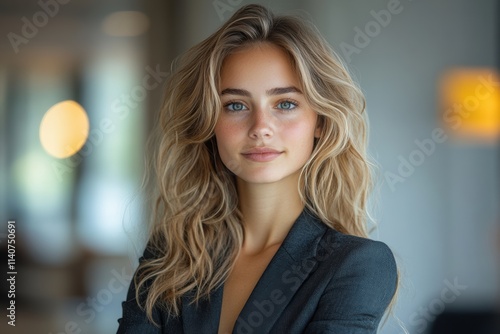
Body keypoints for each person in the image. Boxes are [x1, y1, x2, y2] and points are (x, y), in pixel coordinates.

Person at [117, 4, 398, 334]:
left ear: (319, 121)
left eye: (285, 104)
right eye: (236, 105)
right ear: (209, 123)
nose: (260, 127)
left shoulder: (357, 265)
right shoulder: (170, 258)